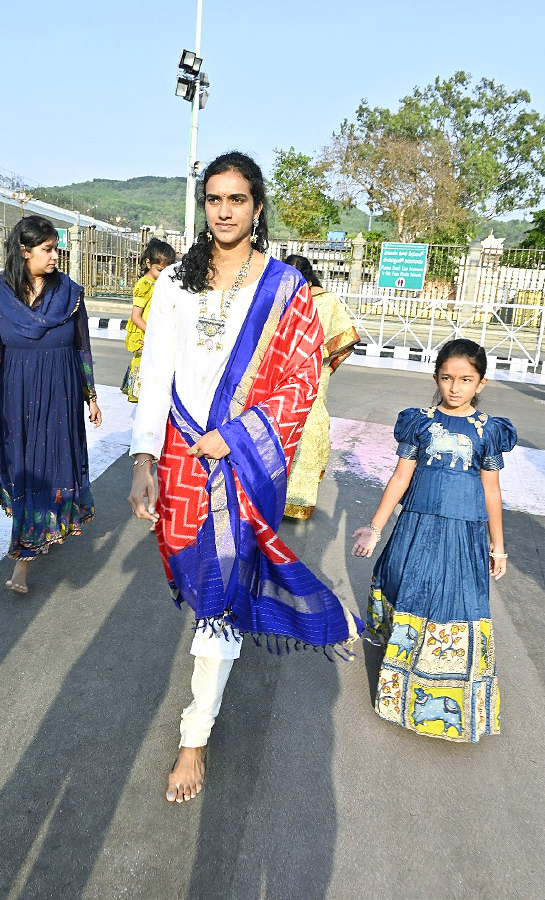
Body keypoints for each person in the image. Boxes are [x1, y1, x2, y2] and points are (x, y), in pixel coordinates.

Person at [128, 151, 362, 803]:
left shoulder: (284, 286)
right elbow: (156, 378)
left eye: (237, 199)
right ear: (204, 207)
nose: (225, 210)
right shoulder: (176, 281)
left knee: (221, 592)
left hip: (242, 461)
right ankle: (213, 660)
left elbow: (299, 383)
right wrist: (145, 459)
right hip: (178, 455)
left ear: (257, 207)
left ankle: (193, 736)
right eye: (214, 199)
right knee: (188, 568)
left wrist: (231, 437)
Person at [351, 338, 516, 742]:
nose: (455, 387)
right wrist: (375, 527)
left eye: (465, 379)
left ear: (481, 383)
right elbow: (401, 478)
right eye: (447, 378)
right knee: (409, 591)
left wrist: (499, 546)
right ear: (436, 377)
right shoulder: (419, 423)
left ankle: (452, 703)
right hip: (417, 527)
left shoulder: (489, 431)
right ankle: (398, 690)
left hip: (465, 533)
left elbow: (492, 492)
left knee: (456, 603)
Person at [0, 215, 102, 594]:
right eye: (46, 249)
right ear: (24, 252)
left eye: (56, 248)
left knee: (54, 464)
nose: (54, 255)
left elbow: (82, 348)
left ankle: (24, 559)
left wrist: (91, 396)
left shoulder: (70, 293)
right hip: (17, 394)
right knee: (25, 468)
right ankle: (38, 532)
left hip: (61, 392)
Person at [283, 254, 359, 518]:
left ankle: (298, 499)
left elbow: (344, 339)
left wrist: (324, 361)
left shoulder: (327, 301)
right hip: (281, 372)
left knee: (311, 429)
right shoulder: (281, 297)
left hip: (315, 373)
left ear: (307, 278)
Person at [121, 239, 176, 403]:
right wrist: (153, 333)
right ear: (148, 263)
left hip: (155, 334)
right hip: (146, 336)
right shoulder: (144, 285)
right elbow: (135, 317)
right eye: (160, 269)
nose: (163, 274)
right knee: (144, 385)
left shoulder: (159, 283)